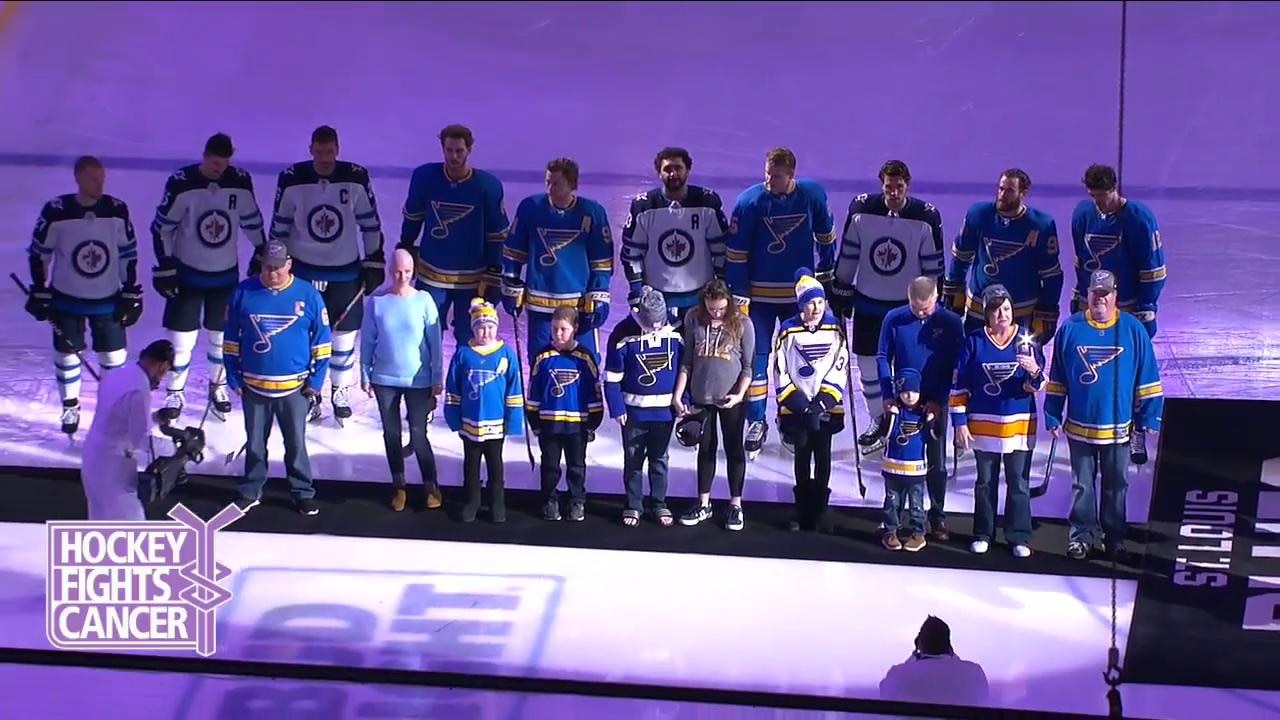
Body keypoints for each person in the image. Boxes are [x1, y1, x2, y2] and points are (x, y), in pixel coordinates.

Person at [268, 124, 386, 424]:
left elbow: (370, 223)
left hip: (345, 272)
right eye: (319, 152)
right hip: (303, 273)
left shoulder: (355, 178)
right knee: (306, 335)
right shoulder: (293, 179)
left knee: (344, 334)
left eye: (329, 151)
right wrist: (270, 262)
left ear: (338, 149)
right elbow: (279, 226)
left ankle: (339, 390)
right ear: (310, 150)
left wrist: (374, 260)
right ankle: (311, 393)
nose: (324, 157)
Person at [724, 147, 836, 458]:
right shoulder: (749, 201)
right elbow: (736, 253)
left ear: (791, 175)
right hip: (760, 298)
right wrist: (740, 293)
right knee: (757, 359)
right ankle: (756, 420)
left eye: (776, 176)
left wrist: (826, 280)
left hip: (797, 298)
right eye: (767, 174)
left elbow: (826, 238)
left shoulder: (812, 195)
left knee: (795, 361)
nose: (769, 180)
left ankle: (791, 418)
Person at [1045, 270, 1164, 561]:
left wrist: (1149, 416)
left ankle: (1114, 537)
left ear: (1115, 296)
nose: (1100, 298)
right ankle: (1081, 537)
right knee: (1081, 485)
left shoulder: (1133, 330)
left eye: (1106, 294)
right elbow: (1058, 375)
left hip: (1117, 430)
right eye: (1095, 293)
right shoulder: (1070, 328)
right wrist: (1051, 412)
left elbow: (1147, 376)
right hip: (1079, 429)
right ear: (1087, 295)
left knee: (1116, 486)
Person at [829, 160, 945, 456]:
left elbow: (933, 269)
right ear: (882, 185)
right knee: (868, 366)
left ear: (908, 185)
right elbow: (849, 254)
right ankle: (878, 420)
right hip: (869, 304)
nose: (893, 192)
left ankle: (910, 420)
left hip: (907, 310)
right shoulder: (862, 211)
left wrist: (933, 303)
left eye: (899, 186)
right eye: (888, 186)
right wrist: (840, 289)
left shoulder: (925, 217)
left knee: (909, 366)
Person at [151, 132, 267, 422]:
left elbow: (252, 221)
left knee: (220, 338)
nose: (219, 169)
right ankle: (175, 392)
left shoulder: (238, 181)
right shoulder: (182, 182)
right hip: (187, 276)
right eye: (215, 163)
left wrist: (261, 250)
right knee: (181, 342)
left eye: (224, 163)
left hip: (224, 278)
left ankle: (218, 387)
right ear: (205, 156)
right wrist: (165, 265)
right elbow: (162, 227)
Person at [25, 155, 142, 436]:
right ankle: (70, 404)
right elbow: (40, 253)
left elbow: (128, 253)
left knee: (114, 358)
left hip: (108, 299)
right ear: (78, 178)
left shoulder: (116, 210)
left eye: (102, 178)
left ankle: (110, 407)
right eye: (93, 178)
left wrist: (130, 291)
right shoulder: (57, 211)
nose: (99, 183)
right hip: (67, 299)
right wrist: (40, 288)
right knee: (67, 356)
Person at [223, 240, 332, 516]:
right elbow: (231, 341)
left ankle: (302, 492)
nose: (273, 272)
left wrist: (316, 383)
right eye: (268, 267)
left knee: (296, 444)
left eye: (278, 267)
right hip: (254, 387)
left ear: (289, 264)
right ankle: (251, 490)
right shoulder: (243, 292)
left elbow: (322, 343)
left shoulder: (308, 295)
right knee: (256, 444)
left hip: (294, 389)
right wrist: (234, 378)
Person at [1072, 163, 1168, 463]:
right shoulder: (1083, 215)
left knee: (1134, 373)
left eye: (1103, 196)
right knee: (1097, 370)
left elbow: (1153, 270)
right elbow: (1082, 261)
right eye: (1094, 196)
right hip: (1095, 310)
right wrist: (1079, 296)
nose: (1099, 203)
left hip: (1129, 312)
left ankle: (1137, 430)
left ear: (1115, 189)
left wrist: (1146, 309)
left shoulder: (1139, 219)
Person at [950, 284, 1046, 557]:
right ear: (987, 314)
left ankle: (1019, 536)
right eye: (996, 310)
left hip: (1018, 424)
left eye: (1006, 309)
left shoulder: (1027, 340)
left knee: (1018, 481)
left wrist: (1034, 371)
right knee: (985, 482)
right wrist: (960, 423)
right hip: (983, 424)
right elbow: (959, 386)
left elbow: (1037, 385)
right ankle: (983, 532)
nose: (1002, 314)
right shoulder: (974, 342)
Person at [399, 124, 509, 347]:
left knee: (469, 339)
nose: (454, 156)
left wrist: (495, 270)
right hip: (432, 275)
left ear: (469, 150)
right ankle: (427, 383)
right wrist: (406, 247)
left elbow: (496, 234)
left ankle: (462, 382)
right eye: (449, 150)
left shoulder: (488, 186)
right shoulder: (424, 177)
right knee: (425, 338)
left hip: (472, 278)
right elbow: (413, 217)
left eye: (459, 151)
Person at [501, 157, 614, 364]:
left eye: (557, 183)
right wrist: (510, 282)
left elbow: (602, 262)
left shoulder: (593, 212)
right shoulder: (530, 207)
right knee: (539, 362)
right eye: (548, 182)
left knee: (586, 362)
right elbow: (513, 251)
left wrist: (599, 295)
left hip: (578, 307)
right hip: (540, 304)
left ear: (573, 185)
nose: (550, 188)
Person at [877, 277, 965, 541]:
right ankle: (894, 518)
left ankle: (936, 516)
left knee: (936, 461)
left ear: (936, 297)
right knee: (899, 457)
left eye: (925, 309)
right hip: (902, 399)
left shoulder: (950, 322)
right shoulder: (894, 318)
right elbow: (883, 356)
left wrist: (938, 399)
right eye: (916, 308)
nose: (921, 313)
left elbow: (956, 363)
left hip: (936, 399)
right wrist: (887, 394)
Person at [360, 249, 444, 512]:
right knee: (392, 433)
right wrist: (364, 372)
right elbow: (367, 340)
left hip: (418, 379)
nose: (402, 276)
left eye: (407, 271)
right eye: (397, 271)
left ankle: (431, 485)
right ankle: (399, 486)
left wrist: (436, 376)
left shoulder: (424, 301)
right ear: (390, 270)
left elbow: (435, 343)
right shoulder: (377, 302)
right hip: (384, 378)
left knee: (418, 434)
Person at [941, 168, 1064, 344]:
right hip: (979, 310)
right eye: (1001, 189)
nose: (1002, 195)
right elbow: (961, 258)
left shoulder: (1041, 225)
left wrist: (1047, 310)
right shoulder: (978, 215)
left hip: (1021, 313)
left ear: (1023, 193)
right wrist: (955, 289)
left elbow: (1052, 275)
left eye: (1009, 191)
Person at [672, 279, 755, 531]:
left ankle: (735, 505)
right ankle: (704, 503)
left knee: (733, 449)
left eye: (720, 308)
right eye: (711, 308)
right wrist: (678, 395)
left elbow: (749, 368)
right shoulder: (693, 319)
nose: (716, 312)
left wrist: (740, 395)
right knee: (705, 449)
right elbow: (687, 362)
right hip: (701, 397)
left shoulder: (743, 323)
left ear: (728, 303)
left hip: (731, 399)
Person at [773, 269, 848, 533]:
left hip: (825, 406)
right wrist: (800, 403)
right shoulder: (788, 329)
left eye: (819, 302)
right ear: (800, 305)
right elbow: (780, 368)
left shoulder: (834, 327)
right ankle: (802, 510)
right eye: (809, 302)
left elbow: (840, 366)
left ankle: (821, 510)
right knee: (802, 453)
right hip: (798, 407)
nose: (815, 308)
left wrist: (822, 403)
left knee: (823, 454)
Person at [619, 147, 730, 326]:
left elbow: (721, 249)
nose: (673, 174)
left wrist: (722, 286)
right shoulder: (643, 206)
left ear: (688, 170)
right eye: (667, 169)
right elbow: (632, 253)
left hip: (701, 297)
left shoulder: (707, 202)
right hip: (658, 299)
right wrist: (636, 289)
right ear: (659, 173)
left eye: (678, 168)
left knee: (699, 351)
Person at [605, 286, 685, 527]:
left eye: (660, 322)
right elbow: (611, 377)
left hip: (665, 413)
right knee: (633, 460)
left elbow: (685, 369)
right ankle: (633, 505)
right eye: (652, 323)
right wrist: (617, 408)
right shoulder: (622, 334)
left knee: (660, 459)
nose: (656, 328)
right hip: (633, 413)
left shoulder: (677, 332)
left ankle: (659, 503)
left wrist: (685, 400)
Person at [444, 299, 523, 523]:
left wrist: (513, 420)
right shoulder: (463, 354)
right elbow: (453, 386)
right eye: (481, 327)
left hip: (496, 424)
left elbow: (514, 388)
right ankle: (472, 501)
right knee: (470, 466)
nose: (485, 332)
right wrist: (454, 417)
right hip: (470, 424)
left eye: (490, 327)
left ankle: (497, 503)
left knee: (496, 467)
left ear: (497, 327)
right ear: (473, 328)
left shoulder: (506, 355)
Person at [81, 339, 175, 520]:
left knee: (101, 530)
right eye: (164, 373)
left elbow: (118, 418)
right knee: (132, 532)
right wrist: (175, 448)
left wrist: (155, 418)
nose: (161, 379)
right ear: (163, 366)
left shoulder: (116, 374)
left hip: (92, 458)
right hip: (113, 469)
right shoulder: (139, 390)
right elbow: (141, 440)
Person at [526, 306, 603, 522]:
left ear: (575, 328)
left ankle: (576, 500)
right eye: (554, 329)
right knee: (550, 465)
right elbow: (534, 390)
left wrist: (593, 422)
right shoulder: (543, 356)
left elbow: (594, 391)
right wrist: (534, 419)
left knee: (576, 465)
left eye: (563, 329)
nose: (558, 334)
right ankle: (549, 499)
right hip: (550, 424)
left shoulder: (584, 358)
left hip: (577, 425)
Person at [879, 616, 990, 707]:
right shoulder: (973, 672)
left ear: (919, 642)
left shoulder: (898, 675)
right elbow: (983, 699)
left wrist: (914, 654)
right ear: (948, 644)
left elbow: (884, 693)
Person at [879, 369, 934, 551]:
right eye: (904, 392)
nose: (909, 396)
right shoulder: (893, 413)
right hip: (893, 467)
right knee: (892, 502)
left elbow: (934, 436)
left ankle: (918, 534)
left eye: (914, 391)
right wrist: (891, 416)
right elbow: (884, 436)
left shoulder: (923, 414)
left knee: (916, 504)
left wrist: (932, 420)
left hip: (915, 470)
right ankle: (890, 532)